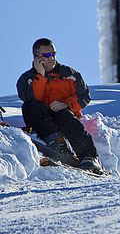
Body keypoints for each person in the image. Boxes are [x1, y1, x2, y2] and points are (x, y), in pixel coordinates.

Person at [16, 38, 103, 172]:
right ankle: (58, 144)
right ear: (36, 57)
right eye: (46, 55)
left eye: (53, 54)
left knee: (63, 114)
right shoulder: (26, 78)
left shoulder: (69, 74)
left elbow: (84, 96)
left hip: (66, 118)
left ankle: (90, 157)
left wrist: (66, 105)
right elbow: (30, 98)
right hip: (41, 122)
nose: (51, 58)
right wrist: (40, 76)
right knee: (30, 106)